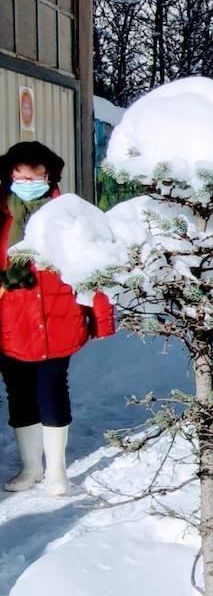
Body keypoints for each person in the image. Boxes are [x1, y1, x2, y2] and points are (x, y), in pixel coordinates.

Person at [0, 142, 115, 496]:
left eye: (36, 176)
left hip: (58, 318)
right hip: (10, 322)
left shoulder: (68, 216)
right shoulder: (1, 216)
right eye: (20, 175)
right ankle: (32, 467)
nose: (28, 181)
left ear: (50, 177)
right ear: (10, 176)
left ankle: (56, 472)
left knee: (51, 391)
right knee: (18, 394)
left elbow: (93, 266)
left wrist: (101, 316)